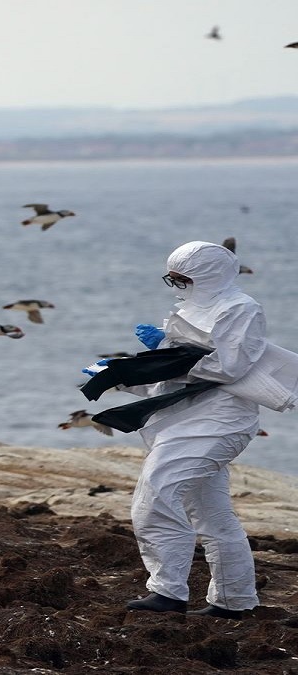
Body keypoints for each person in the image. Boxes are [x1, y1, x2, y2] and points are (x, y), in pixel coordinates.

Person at [118, 241, 266, 619]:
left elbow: (228, 368)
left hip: (220, 422)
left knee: (156, 494)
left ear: (209, 274)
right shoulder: (191, 308)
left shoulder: (241, 308)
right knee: (211, 514)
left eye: (184, 278)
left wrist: (167, 346)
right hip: (189, 418)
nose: (179, 285)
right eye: (174, 279)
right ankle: (234, 601)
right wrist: (123, 377)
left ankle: (167, 592)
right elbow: (179, 375)